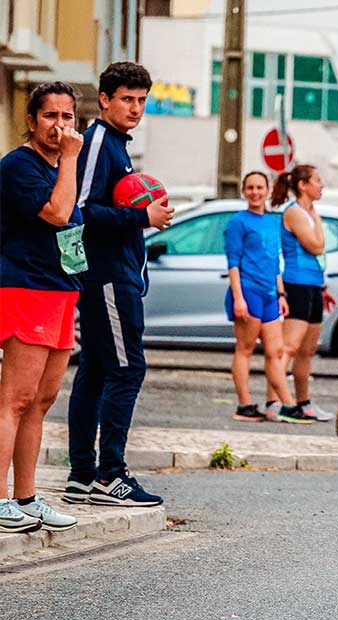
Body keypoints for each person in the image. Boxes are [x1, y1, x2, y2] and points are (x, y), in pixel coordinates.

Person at [65, 62, 172, 507]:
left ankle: (82, 476)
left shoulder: (117, 147)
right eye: (127, 99)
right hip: (107, 278)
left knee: (95, 368)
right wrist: (141, 217)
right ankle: (110, 474)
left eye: (142, 100)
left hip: (117, 275)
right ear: (105, 100)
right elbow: (80, 210)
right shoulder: (98, 143)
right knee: (128, 369)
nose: (136, 108)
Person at [1, 81, 85, 532]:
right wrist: (70, 159)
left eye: (67, 117)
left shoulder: (61, 167)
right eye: (50, 116)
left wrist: (67, 164)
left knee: (41, 400)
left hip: (60, 289)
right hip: (26, 288)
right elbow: (56, 213)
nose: (59, 126)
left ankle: (26, 496)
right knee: (14, 398)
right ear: (31, 121)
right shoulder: (19, 166)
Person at [224, 172, 306, 423]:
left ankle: (287, 404)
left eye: (259, 187)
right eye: (249, 187)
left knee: (276, 351)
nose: (255, 192)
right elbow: (233, 264)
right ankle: (244, 405)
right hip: (248, 292)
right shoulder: (238, 222)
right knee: (245, 349)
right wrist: (239, 298)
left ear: (267, 190)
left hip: (271, 294)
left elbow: (274, 261)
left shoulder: (272, 222)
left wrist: (281, 293)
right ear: (243, 191)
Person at [268, 164, 337, 426]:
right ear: (302, 185)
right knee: (289, 346)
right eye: (317, 181)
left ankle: (303, 401)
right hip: (296, 283)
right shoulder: (295, 212)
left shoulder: (310, 211)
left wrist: (322, 287)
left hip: (313, 284)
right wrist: (316, 222)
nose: (322, 186)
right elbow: (317, 245)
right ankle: (276, 401)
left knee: (307, 350)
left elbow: (319, 251)